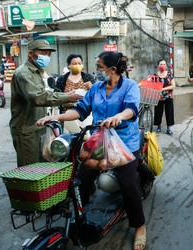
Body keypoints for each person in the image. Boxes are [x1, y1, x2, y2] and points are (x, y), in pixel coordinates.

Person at [36, 51, 147, 250]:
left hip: (124, 144)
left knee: (128, 184)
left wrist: (119, 117)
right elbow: (79, 110)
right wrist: (56, 118)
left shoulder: (129, 86)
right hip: (100, 141)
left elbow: (131, 109)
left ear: (112, 69)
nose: (96, 71)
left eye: (99, 67)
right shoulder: (95, 88)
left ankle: (139, 226)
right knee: (82, 178)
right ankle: (82, 214)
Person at [9, 40, 83, 167]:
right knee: (29, 169)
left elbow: (46, 93)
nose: (46, 57)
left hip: (38, 125)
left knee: (42, 166)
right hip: (26, 128)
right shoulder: (24, 73)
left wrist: (67, 96)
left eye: (48, 54)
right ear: (31, 54)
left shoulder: (37, 71)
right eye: (43, 53)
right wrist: (67, 97)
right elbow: (38, 97)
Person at [154, 59, 176, 135]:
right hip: (158, 97)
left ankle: (168, 128)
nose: (162, 66)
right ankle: (158, 126)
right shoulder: (155, 75)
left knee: (169, 112)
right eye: (161, 64)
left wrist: (163, 89)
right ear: (158, 66)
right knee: (158, 112)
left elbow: (173, 86)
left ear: (166, 66)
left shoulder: (169, 74)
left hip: (168, 97)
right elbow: (150, 84)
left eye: (164, 64)